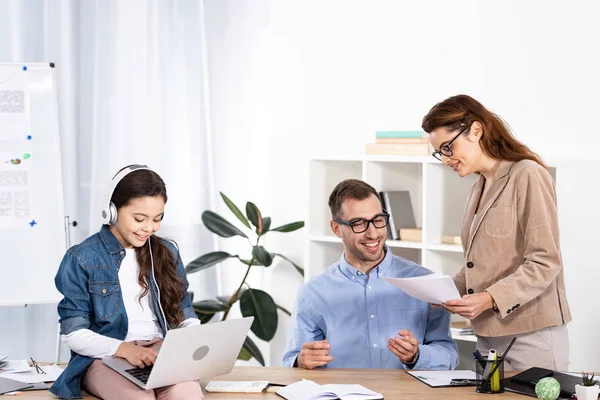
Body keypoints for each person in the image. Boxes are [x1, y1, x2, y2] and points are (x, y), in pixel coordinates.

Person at [422, 94, 572, 371]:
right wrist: (443, 292)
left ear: (476, 130)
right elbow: (478, 264)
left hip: (531, 335)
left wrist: (490, 298)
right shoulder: (476, 189)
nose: (445, 159)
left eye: (447, 147)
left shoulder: (528, 174)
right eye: (439, 152)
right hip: (488, 338)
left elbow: (545, 261)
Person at [50, 165, 204, 400]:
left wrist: (192, 339)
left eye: (157, 219)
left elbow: (184, 311)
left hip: (162, 353)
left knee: (187, 395)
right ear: (112, 211)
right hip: (107, 357)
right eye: (139, 219)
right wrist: (124, 349)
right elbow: (73, 334)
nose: (149, 228)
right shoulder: (81, 258)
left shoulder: (167, 252)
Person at [282, 179, 458, 370]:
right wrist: (300, 361)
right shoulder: (313, 293)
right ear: (336, 229)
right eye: (358, 223)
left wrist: (416, 356)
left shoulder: (424, 282)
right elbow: (291, 362)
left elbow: (450, 356)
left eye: (378, 220)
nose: (373, 234)